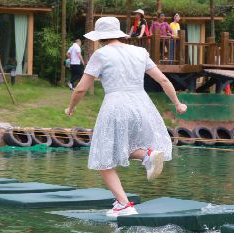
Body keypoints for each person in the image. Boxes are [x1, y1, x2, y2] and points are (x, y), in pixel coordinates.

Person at [65, 17, 187, 217]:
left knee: (103, 157)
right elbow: (163, 79)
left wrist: (71, 108)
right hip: (142, 105)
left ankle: (123, 204)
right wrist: (177, 104)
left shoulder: (101, 54)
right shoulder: (140, 52)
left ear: (100, 37)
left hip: (116, 105)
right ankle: (146, 155)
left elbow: (80, 89)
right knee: (123, 147)